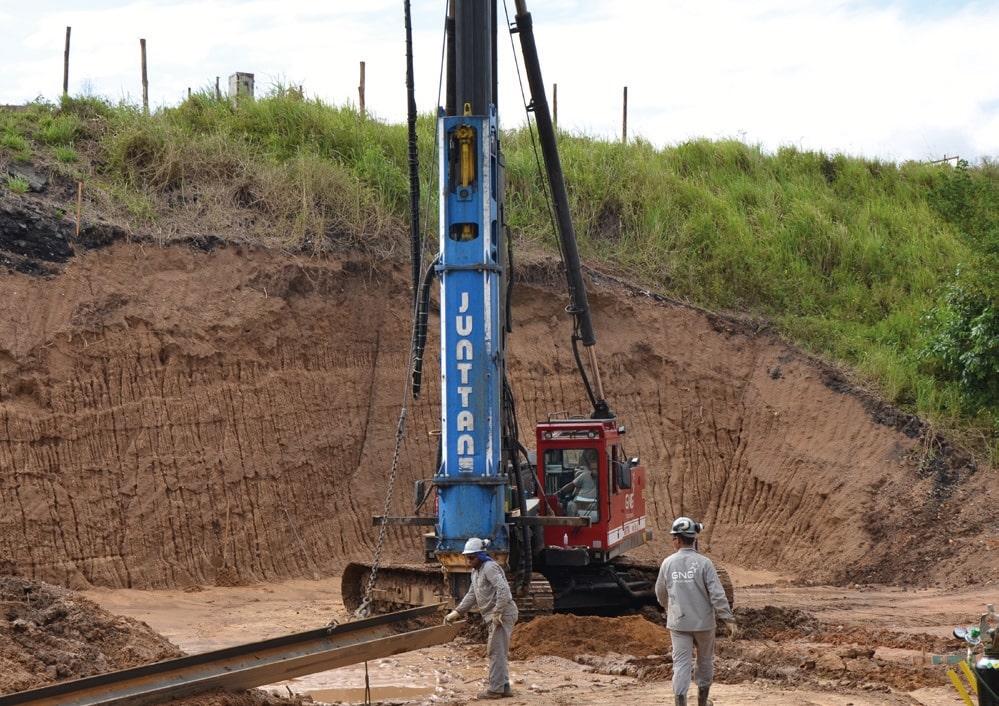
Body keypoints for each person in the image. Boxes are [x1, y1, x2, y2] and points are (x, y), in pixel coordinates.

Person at [655, 517, 737, 706]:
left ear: (677, 539)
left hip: (679, 623)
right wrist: (728, 618)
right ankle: (702, 702)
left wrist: (670, 608)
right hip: (704, 623)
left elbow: (660, 593)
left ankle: (680, 703)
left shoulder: (668, 563)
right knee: (705, 661)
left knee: (681, 664)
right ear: (693, 538)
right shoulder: (704, 563)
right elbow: (717, 594)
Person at [443, 537, 519, 700]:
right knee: (498, 651)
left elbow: (503, 590)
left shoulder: (490, 568)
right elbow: (472, 595)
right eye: (467, 557)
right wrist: (457, 612)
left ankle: (495, 690)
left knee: (495, 651)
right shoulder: (475, 572)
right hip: (495, 615)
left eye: (472, 557)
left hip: (503, 614)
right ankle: (504, 687)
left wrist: (498, 611)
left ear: (481, 555)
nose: (469, 561)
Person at [558, 449, 598, 517]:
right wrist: (558, 492)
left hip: (594, 504)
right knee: (570, 505)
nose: (593, 465)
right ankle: (571, 525)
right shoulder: (585, 475)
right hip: (580, 502)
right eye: (592, 463)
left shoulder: (607, 478)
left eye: (595, 462)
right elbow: (571, 485)